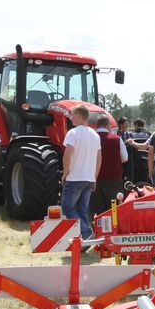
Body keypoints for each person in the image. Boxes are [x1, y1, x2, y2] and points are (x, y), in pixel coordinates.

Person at [61, 104, 101, 246]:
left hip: (75, 178)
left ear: (78, 115)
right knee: (82, 210)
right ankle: (86, 238)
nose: (71, 117)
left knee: (67, 207)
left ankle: (86, 232)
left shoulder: (73, 133)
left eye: (72, 114)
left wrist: (65, 173)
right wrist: (94, 177)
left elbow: (67, 156)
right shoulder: (95, 134)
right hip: (89, 178)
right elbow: (99, 159)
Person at [90, 115, 128, 216]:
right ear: (108, 124)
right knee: (115, 212)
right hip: (114, 181)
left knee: (98, 213)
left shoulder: (90, 139)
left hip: (94, 180)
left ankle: (98, 231)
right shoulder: (116, 139)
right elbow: (125, 158)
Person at [130, 118, 151, 184]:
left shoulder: (131, 134)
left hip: (134, 162)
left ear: (136, 125)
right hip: (146, 161)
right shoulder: (149, 134)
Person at [117, 117, 134, 182]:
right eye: (126, 123)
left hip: (128, 159)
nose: (127, 125)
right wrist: (125, 142)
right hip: (120, 158)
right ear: (121, 125)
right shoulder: (116, 134)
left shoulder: (129, 134)